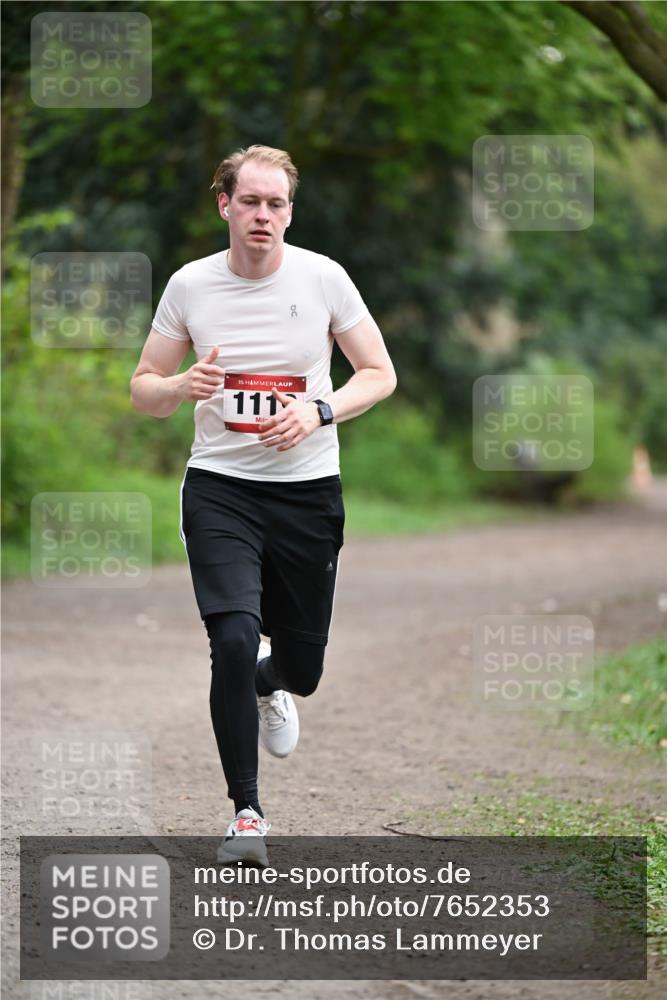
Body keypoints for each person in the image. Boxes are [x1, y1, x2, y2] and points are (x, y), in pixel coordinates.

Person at [130, 145, 396, 864]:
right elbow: (143, 388)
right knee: (234, 636)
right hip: (219, 488)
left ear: (289, 210)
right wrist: (178, 386)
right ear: (223, 204)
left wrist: (320, 411)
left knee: (301, 669)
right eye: (249, 201)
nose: (262, 215)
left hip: (307, 493)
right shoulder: (191, 285)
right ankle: (246, 814)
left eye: (275, 203)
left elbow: (378, 372)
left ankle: (269, 686)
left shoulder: (322, 278)